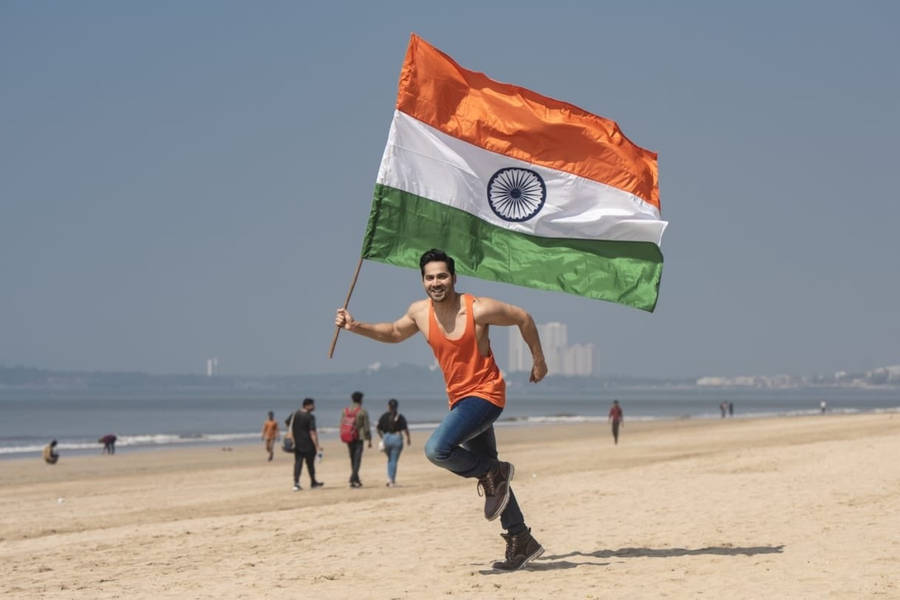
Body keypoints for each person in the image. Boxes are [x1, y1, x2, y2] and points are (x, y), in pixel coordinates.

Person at [335, 248, 548, 571]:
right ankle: (521, 539)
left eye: (442, 276)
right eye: (430, 277)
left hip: (486, 395)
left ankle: (494, 473)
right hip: (461, 400)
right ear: (423, 280)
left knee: (437, 449)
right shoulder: (420, 313)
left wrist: (539, 360)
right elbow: (393, 333)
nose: (436, 282)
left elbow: (523, 317)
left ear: (454, 278)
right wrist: (355, 326)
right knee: (491, 473)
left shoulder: (477, 309)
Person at [285, 398, 324, 491]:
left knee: (298, 463)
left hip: (297, 443)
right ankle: (313, 482)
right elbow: (312, 432)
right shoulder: (310, 417)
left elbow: (287, 423)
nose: (314, 407)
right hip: (308, 443)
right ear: (307, 405)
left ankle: (296, 483)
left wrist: (295, 431)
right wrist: (317, 445)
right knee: (310, 464)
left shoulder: (295, 414)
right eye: (313, 405)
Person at [376, 398, 412, 487]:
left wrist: (382, 437)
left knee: (390, 460)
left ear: (388, 406)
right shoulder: (400, 416)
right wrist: (408, 438)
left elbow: (378, 428)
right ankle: (391, 480)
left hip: (386, 438)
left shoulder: (384, 416)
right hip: (397, 438)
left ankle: (390, 479)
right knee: (393, 460)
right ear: (396, 406)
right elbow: (405, 429)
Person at [340, 391, 371, 487]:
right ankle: (353, 478)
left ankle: (356, 480)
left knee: (352, 458)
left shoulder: (345, 411)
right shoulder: (362, 411)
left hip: (348, 436)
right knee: (357, 459)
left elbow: (342, 424)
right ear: (361, 400)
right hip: (359, 437)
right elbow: (366, 427)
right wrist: (369, 439)